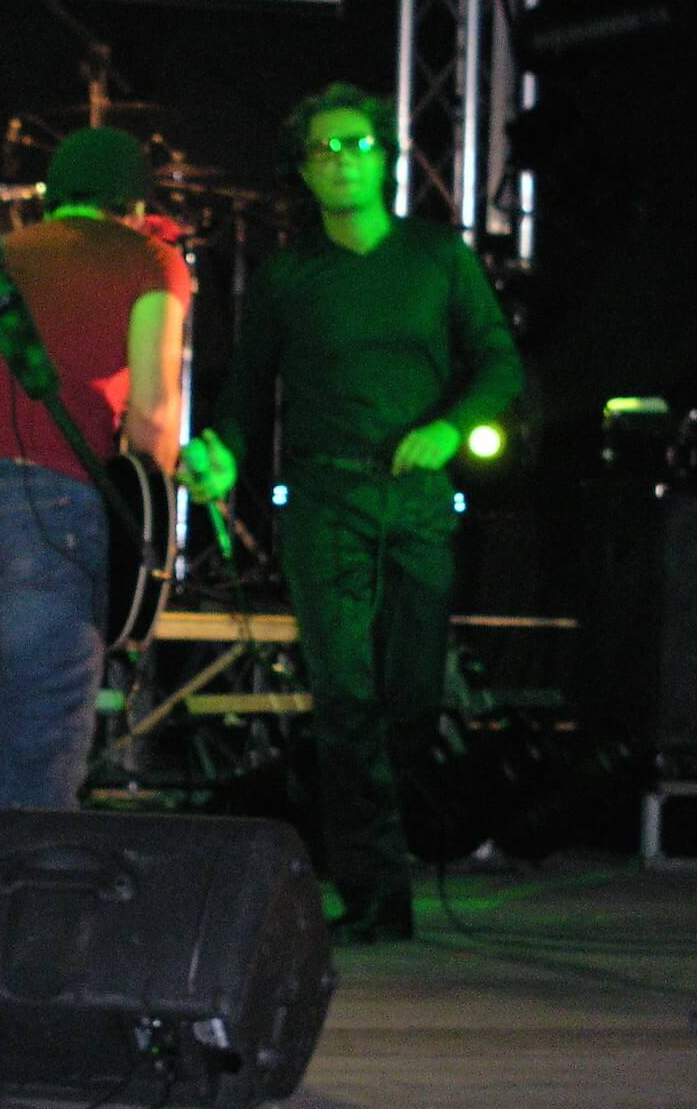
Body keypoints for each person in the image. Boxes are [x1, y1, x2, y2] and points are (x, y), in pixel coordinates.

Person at [183, 82, 523, 944]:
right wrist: (219, 451)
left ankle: (387, 855)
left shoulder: (436, 257)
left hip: (415, 499)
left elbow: (497, 363)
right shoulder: (287, 276)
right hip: (324, 499)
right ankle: (374, 892)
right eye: (323, 150)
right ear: (303, 171)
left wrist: (452, 427)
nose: (341, 162)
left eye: (356, 145)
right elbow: (245, 390)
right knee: (343, 696)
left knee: (410, 699)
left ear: (385, 159)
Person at [0, 127, 188, 809]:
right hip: (47, 506)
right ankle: (36, 879)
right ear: (135, 206)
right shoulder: (151, 260)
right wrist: (151, 514)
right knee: (46, 734)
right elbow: (152, 415)